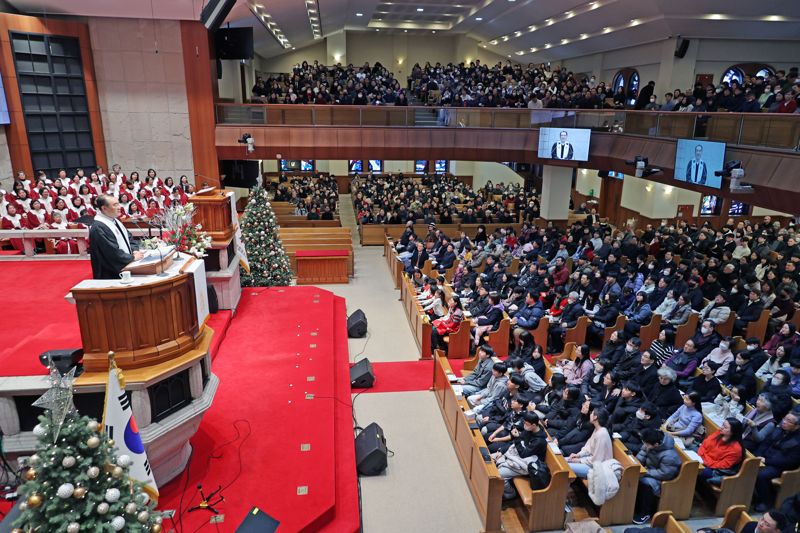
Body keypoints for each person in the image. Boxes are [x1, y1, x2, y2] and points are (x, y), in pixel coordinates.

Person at [632, 429, 682, 524]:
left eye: (647, 444)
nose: (645, 446)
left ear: (656, 445)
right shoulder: (649, 441)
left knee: (645, 483)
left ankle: (646, 512)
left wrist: (645, 472)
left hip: (663, 479)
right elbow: (642, 454)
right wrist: (636, 464)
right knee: (633, 476)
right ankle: (634, 505)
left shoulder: (670, 456)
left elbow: (665, 474)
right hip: (650, 470)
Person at [493, 412, 547, 500]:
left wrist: (517, 438)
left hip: (526, 465)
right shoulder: (529, 430)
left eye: (526, 424)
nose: (524, 425)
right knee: (491, 458)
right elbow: (515, 443)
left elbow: (524, 454)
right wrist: (502, 451)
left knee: (499, 474)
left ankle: (510, 493)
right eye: (524, 422)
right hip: (516, 456)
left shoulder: (539, 441)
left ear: (533, 425)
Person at [753, 409, 800, 511]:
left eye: (788, 421)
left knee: (762, 475)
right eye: (784, 419)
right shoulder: (779, 429)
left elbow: (790, 462)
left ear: (797, 426)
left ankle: (766, 502)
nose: (784, 422)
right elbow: (765, 443)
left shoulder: (798, 441)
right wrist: (757, 455)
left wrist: (766, 460)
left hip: (781, 467)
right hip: (766, 458)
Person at [88, 194, 143, 279]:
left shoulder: (115, 220)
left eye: (118, 203)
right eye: (115, 205)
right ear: (104, 208)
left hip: (126, 266)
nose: (119, 207)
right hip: (110, 273)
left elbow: (129, 237)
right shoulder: (99, 227)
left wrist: (135, 250)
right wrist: (132, 258)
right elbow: (111, 252)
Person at [566, 407, 612, 479]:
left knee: (564, 467)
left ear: (595, 417)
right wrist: (578, 455)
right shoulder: (597, 429)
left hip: (597, 469)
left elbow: (597, 460)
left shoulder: (602, 434)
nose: (590, 414)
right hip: (590, 461)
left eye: (592, 413)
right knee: (563, 461)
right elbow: (588, 448)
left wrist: (579, 460)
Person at [697, 418, 745, 484]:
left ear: (733, 432)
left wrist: (704, 461)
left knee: (697, 469)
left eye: (725, 427)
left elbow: (722, 465)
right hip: (703, 459)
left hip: (714, 469)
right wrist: (701, 456)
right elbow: (704, 444)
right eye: (722, 425)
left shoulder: (736, 449)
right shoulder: (718, 433)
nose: (721, 427)